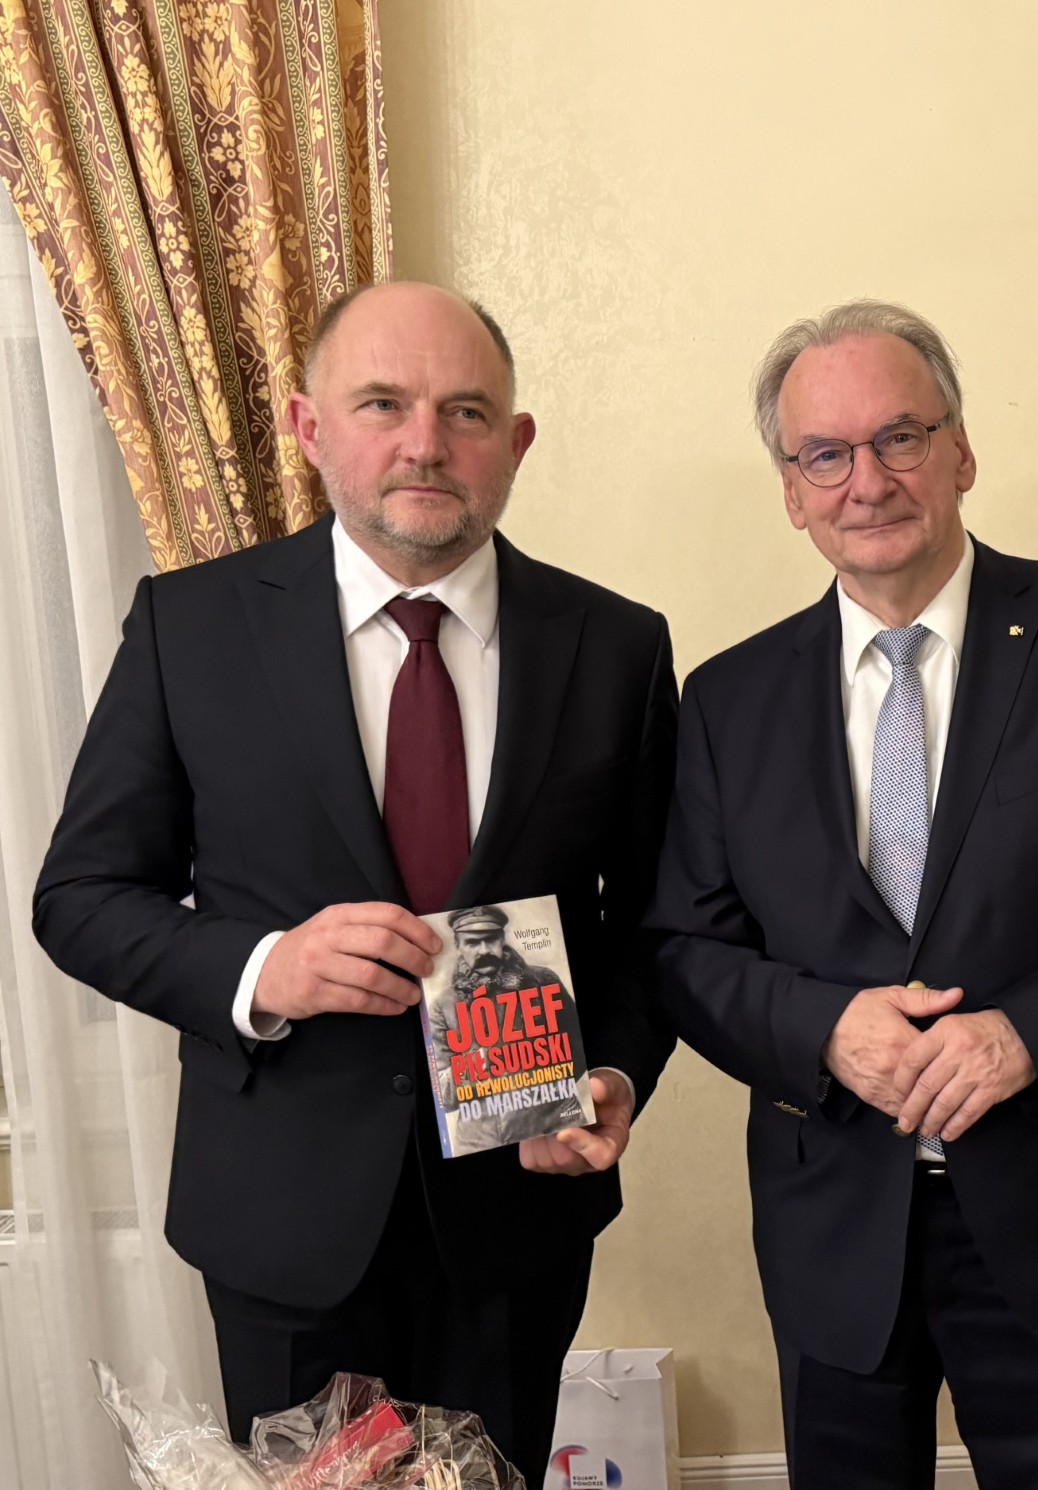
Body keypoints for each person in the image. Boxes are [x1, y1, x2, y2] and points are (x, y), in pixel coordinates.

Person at [33, 281, 678, 1483]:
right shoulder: (191, 626)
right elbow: (80, 895)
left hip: (515, 1214)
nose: (425, 442)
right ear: (308, 425)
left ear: (516, 441)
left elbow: (654, 925)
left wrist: (616, 1069)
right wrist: (263, 968)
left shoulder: (617, 645)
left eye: (465, 411)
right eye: (383, 402)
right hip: (281, 1217)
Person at [646, 300, 1038, 1489]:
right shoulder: (727, 699)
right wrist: (826, 1027)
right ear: (791, 490)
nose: (867, 480)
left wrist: (1027, 1034)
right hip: (835, 1228)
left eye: (900, 437)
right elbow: (684, 948)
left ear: (962, 449)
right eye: (825, 454)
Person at [429, 903, 584, 1153]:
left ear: (502, 938)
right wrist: (478, 1063)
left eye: (490, 939)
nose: (483, 950)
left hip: (557, 1126)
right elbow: (441, 1097)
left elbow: (579, 1051)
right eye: (472, 942)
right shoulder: (443, 1005)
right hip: (482, 1143)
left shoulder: (542, 981)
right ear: (458, 945)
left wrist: (544, 1089)